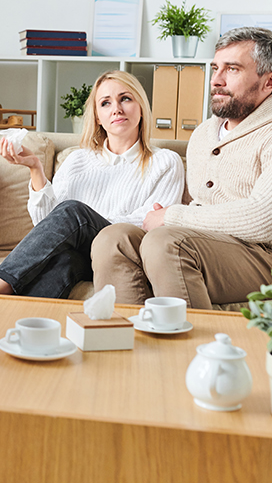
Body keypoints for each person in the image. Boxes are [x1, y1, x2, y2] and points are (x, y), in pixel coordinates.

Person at [0, 70, 185, 337]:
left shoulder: (165, 161)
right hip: (81, 255)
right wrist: (35, 169)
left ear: (140, 107)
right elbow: (48, 227)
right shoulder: (79, 160)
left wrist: (86, 220)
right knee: (63, 261)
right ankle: (3, 341)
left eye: (125, 98)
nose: (116, 108)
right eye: (105, 103)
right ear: (98, 117)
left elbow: (149, 223)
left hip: (121, 251)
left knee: (75, 212)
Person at [91, 27, 272, 310]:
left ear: (268, 82)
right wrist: (170, 213)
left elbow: (264, 218)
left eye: (232, 69)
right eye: (215, 68)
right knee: (112, 238)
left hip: (261, 255)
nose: (217, 80)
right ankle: (123, 343)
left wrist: (173, 216)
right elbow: (198, 202)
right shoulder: (203, 134)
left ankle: (189, 352)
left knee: (165, 243)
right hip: (205, 245)